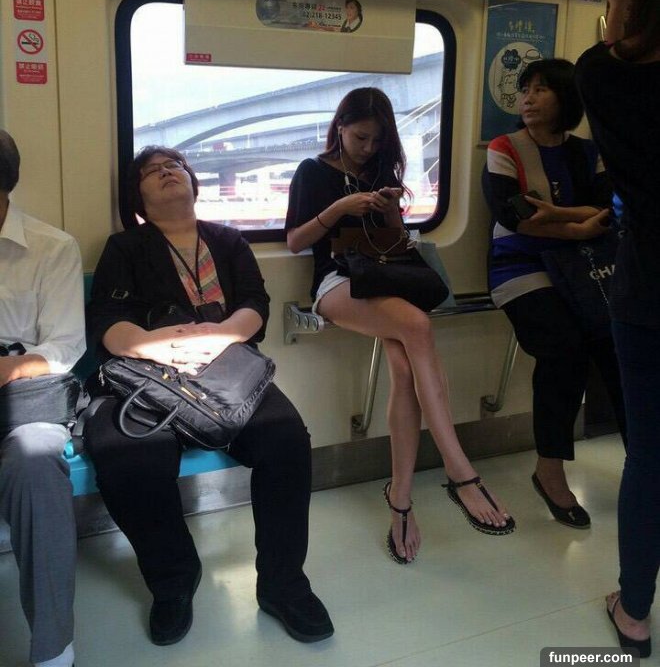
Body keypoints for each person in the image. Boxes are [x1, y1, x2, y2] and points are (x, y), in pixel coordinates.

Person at [83, 146, 333, 646]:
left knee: (285, 438)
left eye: (175, 166)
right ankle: (174, 578)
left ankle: (283, 583)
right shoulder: (124, 247)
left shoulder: (228, 240)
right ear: (137, 197)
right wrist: (159, 346)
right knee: (127, 454)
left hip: (226, 369)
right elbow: (107, 321)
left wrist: (218, 338)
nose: (167, 172)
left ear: (193, 182)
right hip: (149, 373)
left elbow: (254, 304)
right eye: (152, 171)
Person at [285, 87, 514, 566]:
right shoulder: (312, 171)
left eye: (377, 140)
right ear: (340, 127)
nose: (368, 148)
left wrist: (389, 208)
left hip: (383, 276)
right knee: (416, 325)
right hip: (337, 282)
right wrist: (340, 209)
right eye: (360, 138)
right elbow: (295, 241)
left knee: (406, 369)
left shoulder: (379, 170)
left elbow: (393, 243)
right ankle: (458, 468)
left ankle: (401, 501)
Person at [484, 58, 627, 531]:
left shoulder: (588, 151)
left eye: (541, 89)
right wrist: (580, 225)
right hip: (520, 266)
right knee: (564, 349)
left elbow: (610, 209)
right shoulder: (505, 148)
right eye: (525, 89)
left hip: (583, 267)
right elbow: (515, 217)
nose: (527, 98)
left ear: (566, 98)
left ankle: (644, 461)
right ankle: (549, 471)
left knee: (619, 344)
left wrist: (564, 217)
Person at [575, 0, 660, 658]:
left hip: (650, 288)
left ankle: (634, 614)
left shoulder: (602, 76)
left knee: (651, 457)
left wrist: (618, 16)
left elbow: (615, 56)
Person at [0, 130, 85, 667]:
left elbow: (64, 345)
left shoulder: (52, 247)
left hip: (26, 389)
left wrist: (7, 369)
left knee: (34, 462)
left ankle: (53, 650)